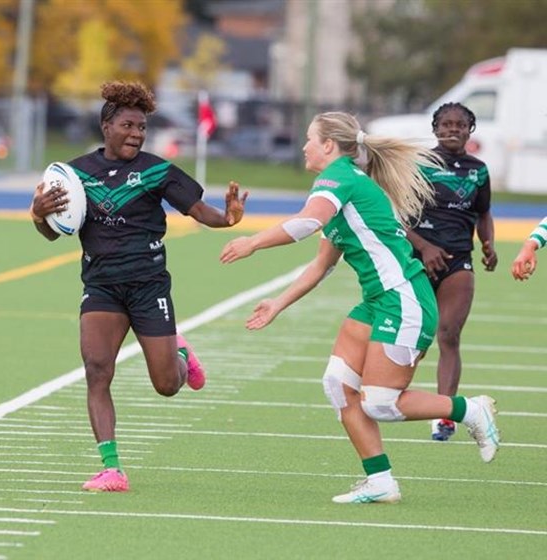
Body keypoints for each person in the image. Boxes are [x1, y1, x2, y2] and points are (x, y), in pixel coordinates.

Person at [219, 111, 500, 504]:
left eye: (309, 139)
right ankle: (380, 481)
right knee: (338, 385)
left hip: (404, 299)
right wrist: (278, 304)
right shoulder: (343, 186)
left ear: (329, 146)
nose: (303, 146)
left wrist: (251, 242)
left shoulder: (338, 178)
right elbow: (320, 265)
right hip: (378, 302)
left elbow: (304, 224)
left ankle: (468, 409)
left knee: (381, 403)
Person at [30, 81, 249, 492]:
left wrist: (229, 218)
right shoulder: (74, 175)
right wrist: (39, 215)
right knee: (97, 370)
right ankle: (112, 467)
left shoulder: (156, 170)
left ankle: (180, 352)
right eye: (128, 125)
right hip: (101, 287)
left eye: (142, 127)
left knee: (167, 385)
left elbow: (200, 211)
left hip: (148, 286)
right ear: (106, 126)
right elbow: (52, 233)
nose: (136, 133)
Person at [406, 102, 497, 442]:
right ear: (435, 129)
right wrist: (425, 247)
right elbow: (396, 218)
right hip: (417, 259)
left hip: (459, 259)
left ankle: (444, 414)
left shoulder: (479, 170)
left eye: (461, 125)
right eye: (446, 124)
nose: (453, 130)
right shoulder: (418, 165)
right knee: (417, 335)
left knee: (449, 334)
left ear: (470, 130)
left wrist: (488, 243)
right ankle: (393, 396)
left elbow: (483, 213)